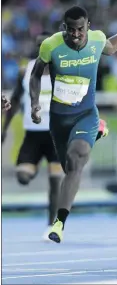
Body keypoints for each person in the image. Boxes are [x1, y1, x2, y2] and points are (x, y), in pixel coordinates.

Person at [30, 5, 117, 243]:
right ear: (64, 28)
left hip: (86, 115)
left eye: (80, 30)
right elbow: (35, 74)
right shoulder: (51, 45)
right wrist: (34, 103)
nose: (76, 35)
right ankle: (99, 131)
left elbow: (111, 47)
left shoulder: (97, 40)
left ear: (88, 26)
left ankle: (59, 223)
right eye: (70, 30)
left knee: (76, 160)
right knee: (67, 166)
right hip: (60, 121)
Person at [2, 32, 63, 241]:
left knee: (56, 182)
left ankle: (51, 226)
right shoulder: (25, 70)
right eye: (39, 45)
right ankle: (33, 166)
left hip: (56, 135)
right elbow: (16, 100)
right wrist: (4, 128)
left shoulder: (63, 70)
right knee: (23, 177)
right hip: (33, 135)